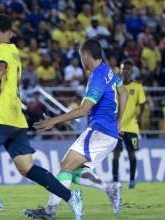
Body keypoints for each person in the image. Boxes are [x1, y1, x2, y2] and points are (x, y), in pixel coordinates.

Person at [0, 14, 83, 219]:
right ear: (10, 33)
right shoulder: (14, 51)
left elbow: (0, 68)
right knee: (26, 168)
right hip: (17, 118)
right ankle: (70, 196)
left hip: (4, 117)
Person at [24, 38, 129, 219]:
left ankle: (50, 211)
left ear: (87, 56)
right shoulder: (108, 71)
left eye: (81, 56)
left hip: (99, 131)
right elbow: (124, 92)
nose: (81, 60)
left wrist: (53, 121)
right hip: (109, 134)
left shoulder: (97, 76)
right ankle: (108, 187)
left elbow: (83, 110)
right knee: (72, 171)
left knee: (64, 167)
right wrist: (119, 121)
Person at [113, 59, 146, 189]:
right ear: (120, 70)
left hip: (132, 126)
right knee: (116, 153)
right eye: (123, 68)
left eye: (128, 69)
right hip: (117, 126)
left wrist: (139, 117)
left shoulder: (137, 87)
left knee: (131, 153)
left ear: (132, 71)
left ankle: (132, 180)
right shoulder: (115, 86)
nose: (126, 71)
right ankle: (115, 181)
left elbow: (143, 104)